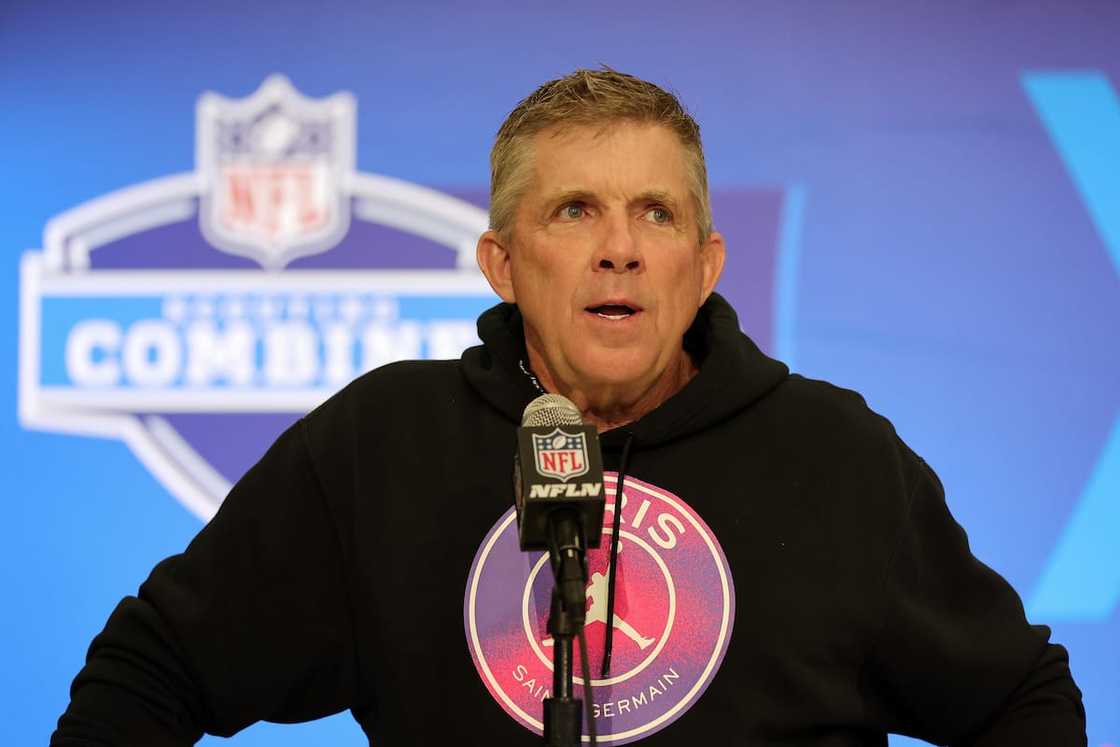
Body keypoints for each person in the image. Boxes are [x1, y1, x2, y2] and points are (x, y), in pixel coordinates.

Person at [52, 68, 1085, 746]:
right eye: (574, 209)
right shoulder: (383, 447)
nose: (619, 247)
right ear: (502, 262)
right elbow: (153, 671)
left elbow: (1021, 703)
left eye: (656, 213)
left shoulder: (834, 457)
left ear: (704, 262)